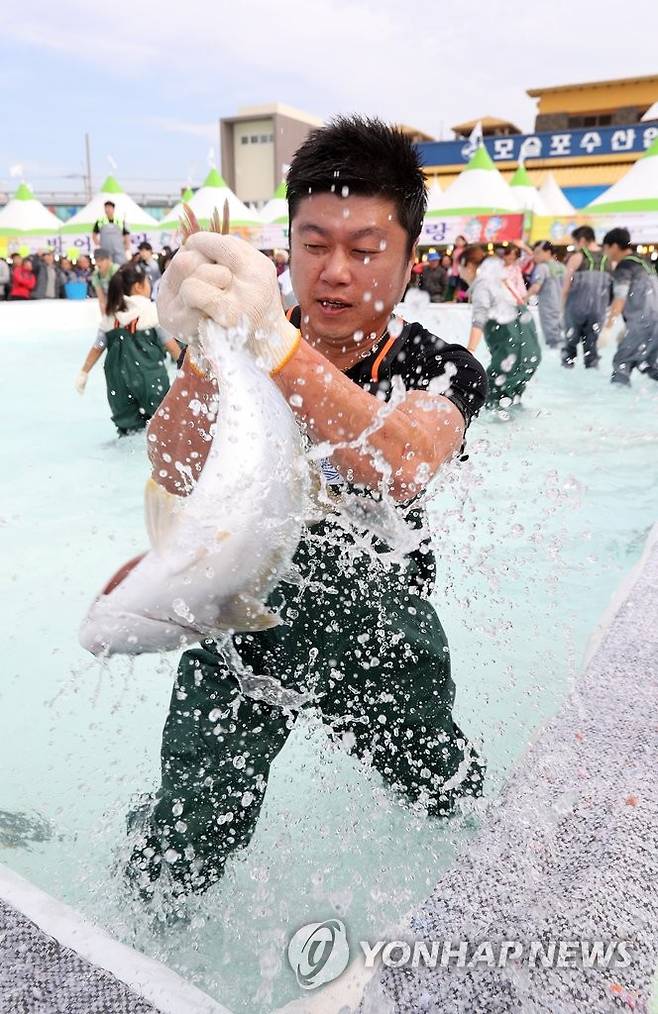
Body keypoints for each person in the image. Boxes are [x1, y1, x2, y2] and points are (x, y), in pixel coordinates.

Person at [125, 116, 488, 900]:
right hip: (246, 619)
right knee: (184, 834)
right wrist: (207, 343)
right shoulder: (252, 335)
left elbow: (404, 462)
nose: (334, 272)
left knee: (446, 790)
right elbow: (170, 465)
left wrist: (272, 344)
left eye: (365, 250)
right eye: (315, 245)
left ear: (407, 262)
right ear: (286, 246)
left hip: (385, 629)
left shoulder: (439, 364)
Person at [75, 263, 181, 435]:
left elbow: (98, 346)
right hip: (151, 380)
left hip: (118, 382)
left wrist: (83, 372)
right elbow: (169, 343)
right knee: (164, 425)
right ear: (138, 287)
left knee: (128, 429)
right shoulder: (151, 311)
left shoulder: (110, 315)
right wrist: (185, 367)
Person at [460, 244, 541, 410]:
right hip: (529, 348)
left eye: (459, 266)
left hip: (513, 347)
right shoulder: (498, 279)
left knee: (493, 398)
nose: (458, 272)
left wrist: (468, 354)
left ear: (468, 265)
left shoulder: (483, 284)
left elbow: (479, 319)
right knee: (511, 399)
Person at [601, 227, 658, 386]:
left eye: (605, 248)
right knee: (650, 365)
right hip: (654, 324)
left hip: (642, 324)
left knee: (621, 364)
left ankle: (616, 406)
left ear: (613, 246)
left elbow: (620, 298)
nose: (605, 253)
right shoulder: (645, 263)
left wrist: (608, 328)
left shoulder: (624, 266)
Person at [561, 225, 611, 370]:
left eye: (575, 242)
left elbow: (565, 287)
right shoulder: (608, 260)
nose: (574, 246)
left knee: (569, 350)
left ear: (582, 240)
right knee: (592, 351)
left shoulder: (577, 257)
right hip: (598, 312)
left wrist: (560, 310)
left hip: (575, 310)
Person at [526, 241, 566, 349]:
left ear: (548, 252)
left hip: (548, 309)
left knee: (553, 342)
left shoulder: (542, 267)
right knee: (564, 339)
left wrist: (524, 298)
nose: (535, 256)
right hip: (563, 309)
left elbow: (536, 287)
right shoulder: (562, 267)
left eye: (538, 253)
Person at [92, 200, 130, 265]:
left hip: (119, 249)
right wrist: (98, 243)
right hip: (105, 249)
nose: (107, 210)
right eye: (106, 208)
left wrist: (127, 245)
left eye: (109, 208)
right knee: (107, 265)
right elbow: (94, 234)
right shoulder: (100, 221)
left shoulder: (120, 221)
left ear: (113, 209)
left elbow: (126, 234)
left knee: (120, 266)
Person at [91, 248, 119, 314]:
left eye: (101, 260)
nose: (99, 263)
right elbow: (101, 299)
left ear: (109, 260)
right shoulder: (96, 275)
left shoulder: (115, 270)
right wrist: (105, 317)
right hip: (110, 300)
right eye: (97, 260)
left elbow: (120, 294)